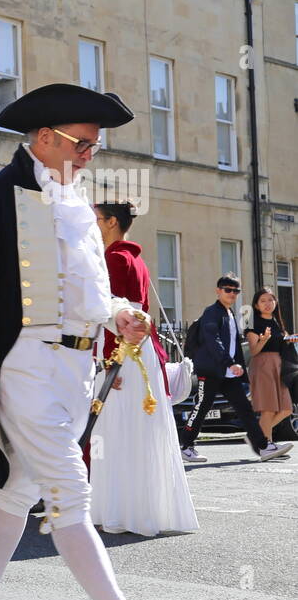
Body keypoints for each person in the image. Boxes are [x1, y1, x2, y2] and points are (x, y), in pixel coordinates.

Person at [0, 82, 201, 600]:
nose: (90, 154)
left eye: (94, 145)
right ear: (44, 138)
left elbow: (91, 292)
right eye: (82, 143)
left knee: (20, 489)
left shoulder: (80, 206)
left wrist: (121, 313)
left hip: (76, 366)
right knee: (69, 490)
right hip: (25, 365)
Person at [89, 201, 198, 536]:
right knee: (140, 429)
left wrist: (110, 363)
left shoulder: (112, 258)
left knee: (117, 429)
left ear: (110, 223)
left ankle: (120, 510)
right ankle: (147, 509)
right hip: (144, 351)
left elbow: (115, 316)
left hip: (124, 350)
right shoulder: (137, 259)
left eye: (96, 220)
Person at [179, 275, 290, 462]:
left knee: (244, 408)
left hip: (227, 373)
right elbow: (212, 340)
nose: (231, 293)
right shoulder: (212, 312)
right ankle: (185, 445)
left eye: (235, 290)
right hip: (212, 370)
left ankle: (263, 447)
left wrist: (236, 367)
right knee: (202, 406)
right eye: (227, 289)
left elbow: (234, 344)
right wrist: (229, 363)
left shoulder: (229, 313)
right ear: (218, 291)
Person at [245, 288, 294, 448]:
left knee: (286, 408)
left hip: (279, 366)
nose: (267, 304)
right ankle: (267, 444)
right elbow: (253, 351)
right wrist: (264, 340)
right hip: (262, 365)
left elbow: (281, 345)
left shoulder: (276, 321)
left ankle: (257, 436)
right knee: (269, 408)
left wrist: (289, 340)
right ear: (256, 305)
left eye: (270, 300)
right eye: (263, 301)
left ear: (276, 302)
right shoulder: (253, 323)